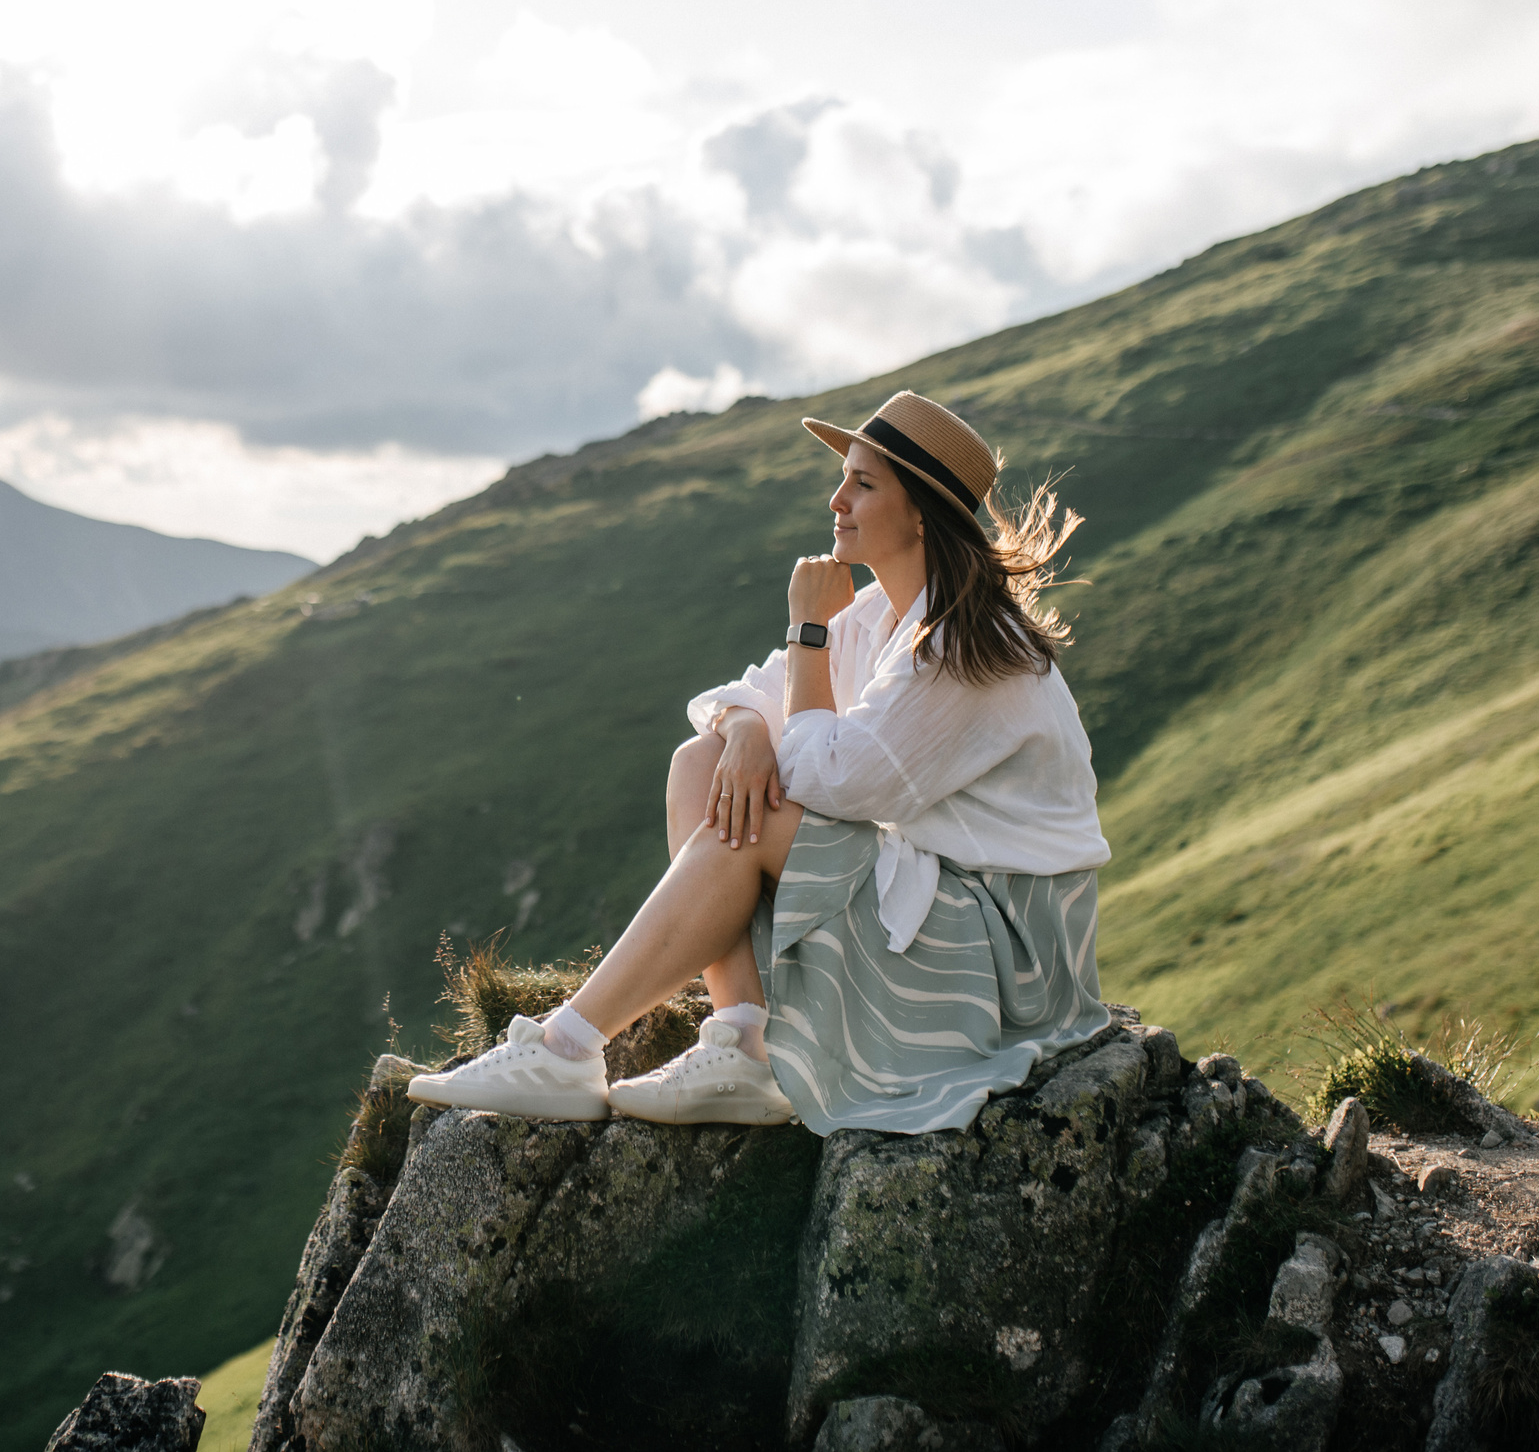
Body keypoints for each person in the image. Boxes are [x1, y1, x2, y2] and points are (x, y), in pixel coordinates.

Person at [408, 390, 1112, 1134]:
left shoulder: (967, 645)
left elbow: (829, 783)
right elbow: (738, 696)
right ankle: (744, 1039)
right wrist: (744, 726)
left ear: (920, 514)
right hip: (943, 901)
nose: (836, 498)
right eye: (845, 476)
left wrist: (808, 631)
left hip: (1008, 955)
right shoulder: (881, 614)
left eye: (864, 483)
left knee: (759, 808)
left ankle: (567, 1046)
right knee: (700, 762)